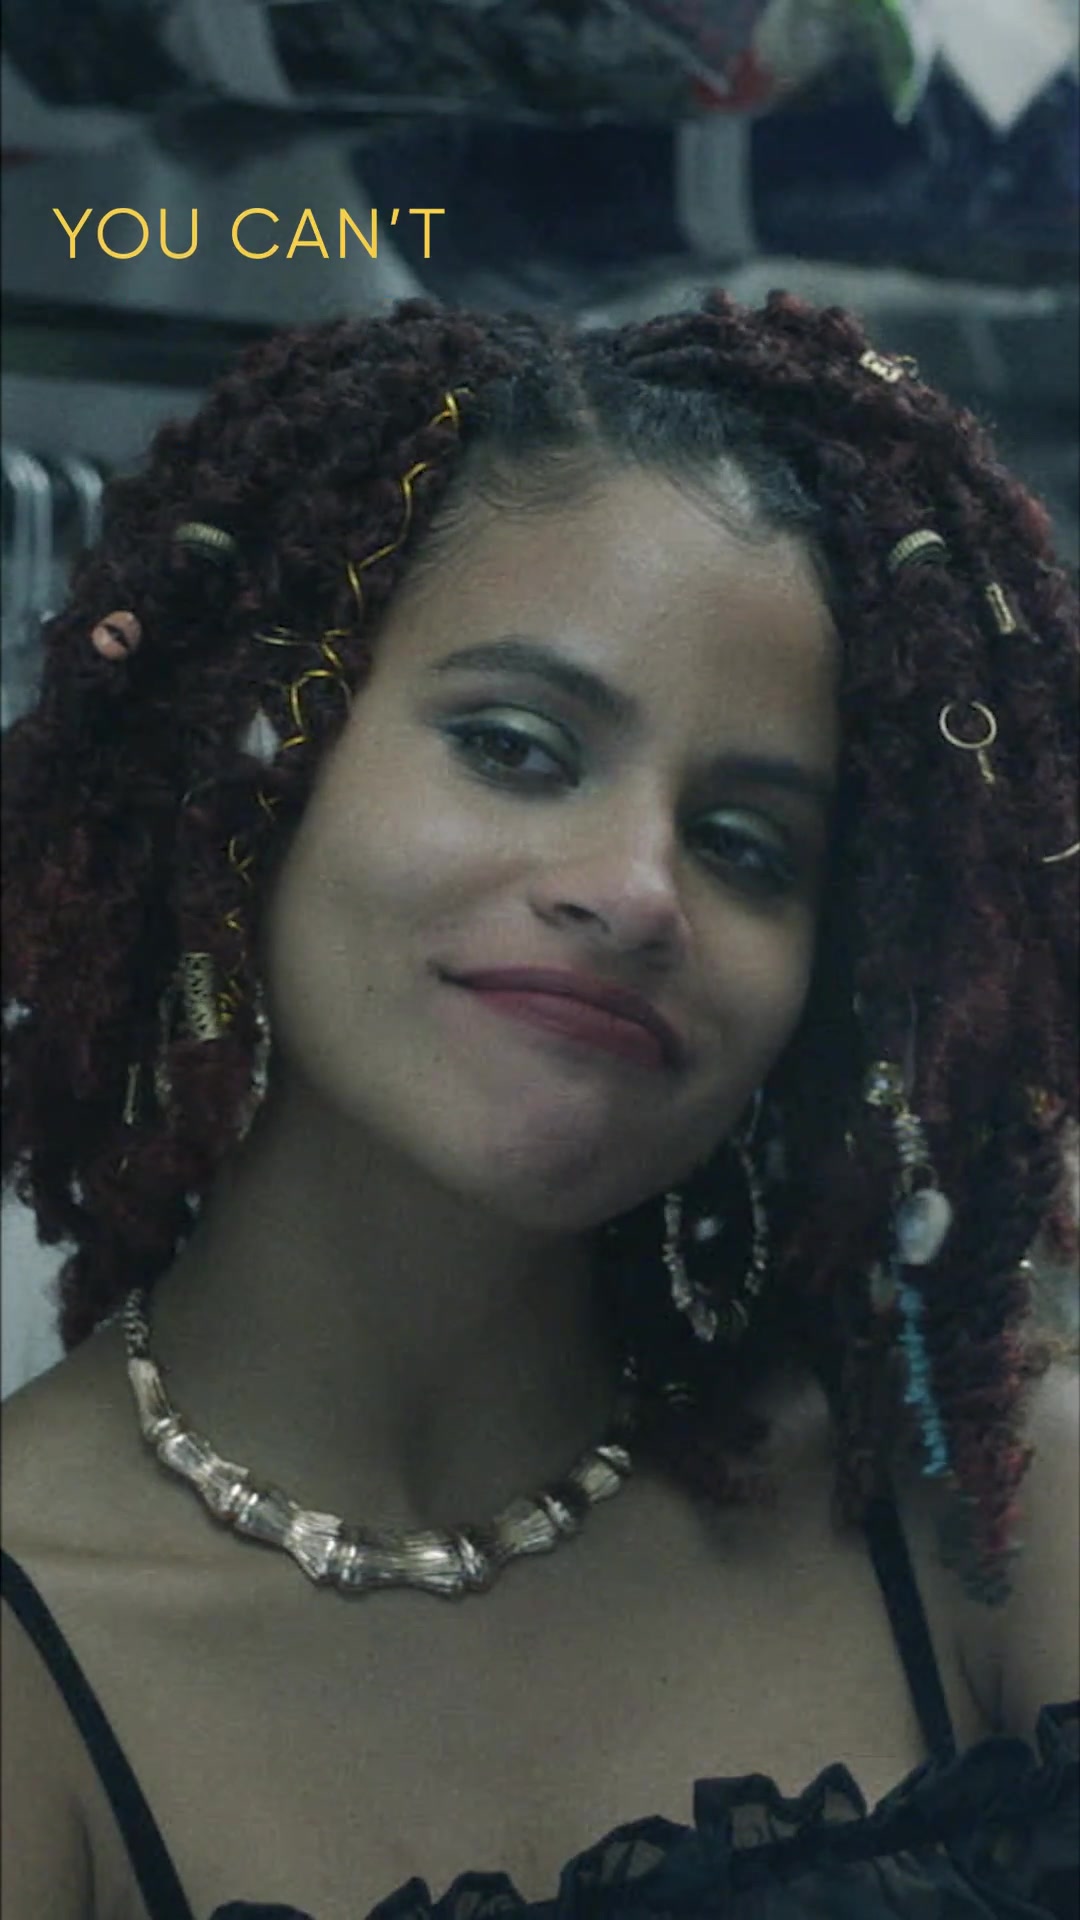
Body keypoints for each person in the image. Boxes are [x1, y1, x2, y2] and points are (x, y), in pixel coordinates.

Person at [1, 292, 1077, 1920]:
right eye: (515, 747)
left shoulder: (987, 1520)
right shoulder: (31, 1656)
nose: (638, 891)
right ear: (248, 775)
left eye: (746, 846)